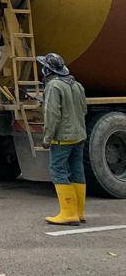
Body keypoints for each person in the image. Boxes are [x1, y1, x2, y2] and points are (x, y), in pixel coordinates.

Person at [39, 52, 88, 225]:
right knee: (77, 170)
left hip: (62, 138)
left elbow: (52, 114)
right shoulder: (77, 85)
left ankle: (68, 214)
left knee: (58, 171)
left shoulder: (53, 86)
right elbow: (84, 110)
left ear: (48, 70)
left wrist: (47, 137)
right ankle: (79, 213)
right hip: (79, 135)